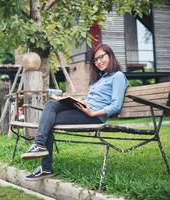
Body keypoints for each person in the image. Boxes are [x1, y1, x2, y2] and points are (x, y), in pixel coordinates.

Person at [21, 44, 128, 181]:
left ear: (110, 55)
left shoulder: (118, 76)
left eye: (101, 57)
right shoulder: (100, 79)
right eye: (96, 60)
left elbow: (116, 105)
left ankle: (44, 163)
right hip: (83, 110)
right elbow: (92, 99)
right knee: (52, 104)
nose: (99, 61)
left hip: (94, 117)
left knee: (49, 118)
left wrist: (93, 114)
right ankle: (40, 147)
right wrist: (73, 100)